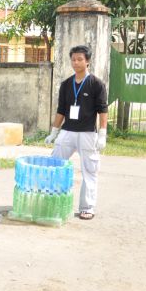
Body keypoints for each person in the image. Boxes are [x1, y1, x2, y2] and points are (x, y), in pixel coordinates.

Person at [44, 45, 108, 220]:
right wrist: (54, 131)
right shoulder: (66, 84)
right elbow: (61, 110)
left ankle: (87, 207)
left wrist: (102, 134)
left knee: (89, 170)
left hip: (87, 133)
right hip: (67, 132)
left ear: (87, 61)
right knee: (55, 164)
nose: (76, 62)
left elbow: (103, 110)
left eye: (80, 59)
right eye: (73, 59)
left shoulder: (96, 84)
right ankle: (52, 201)